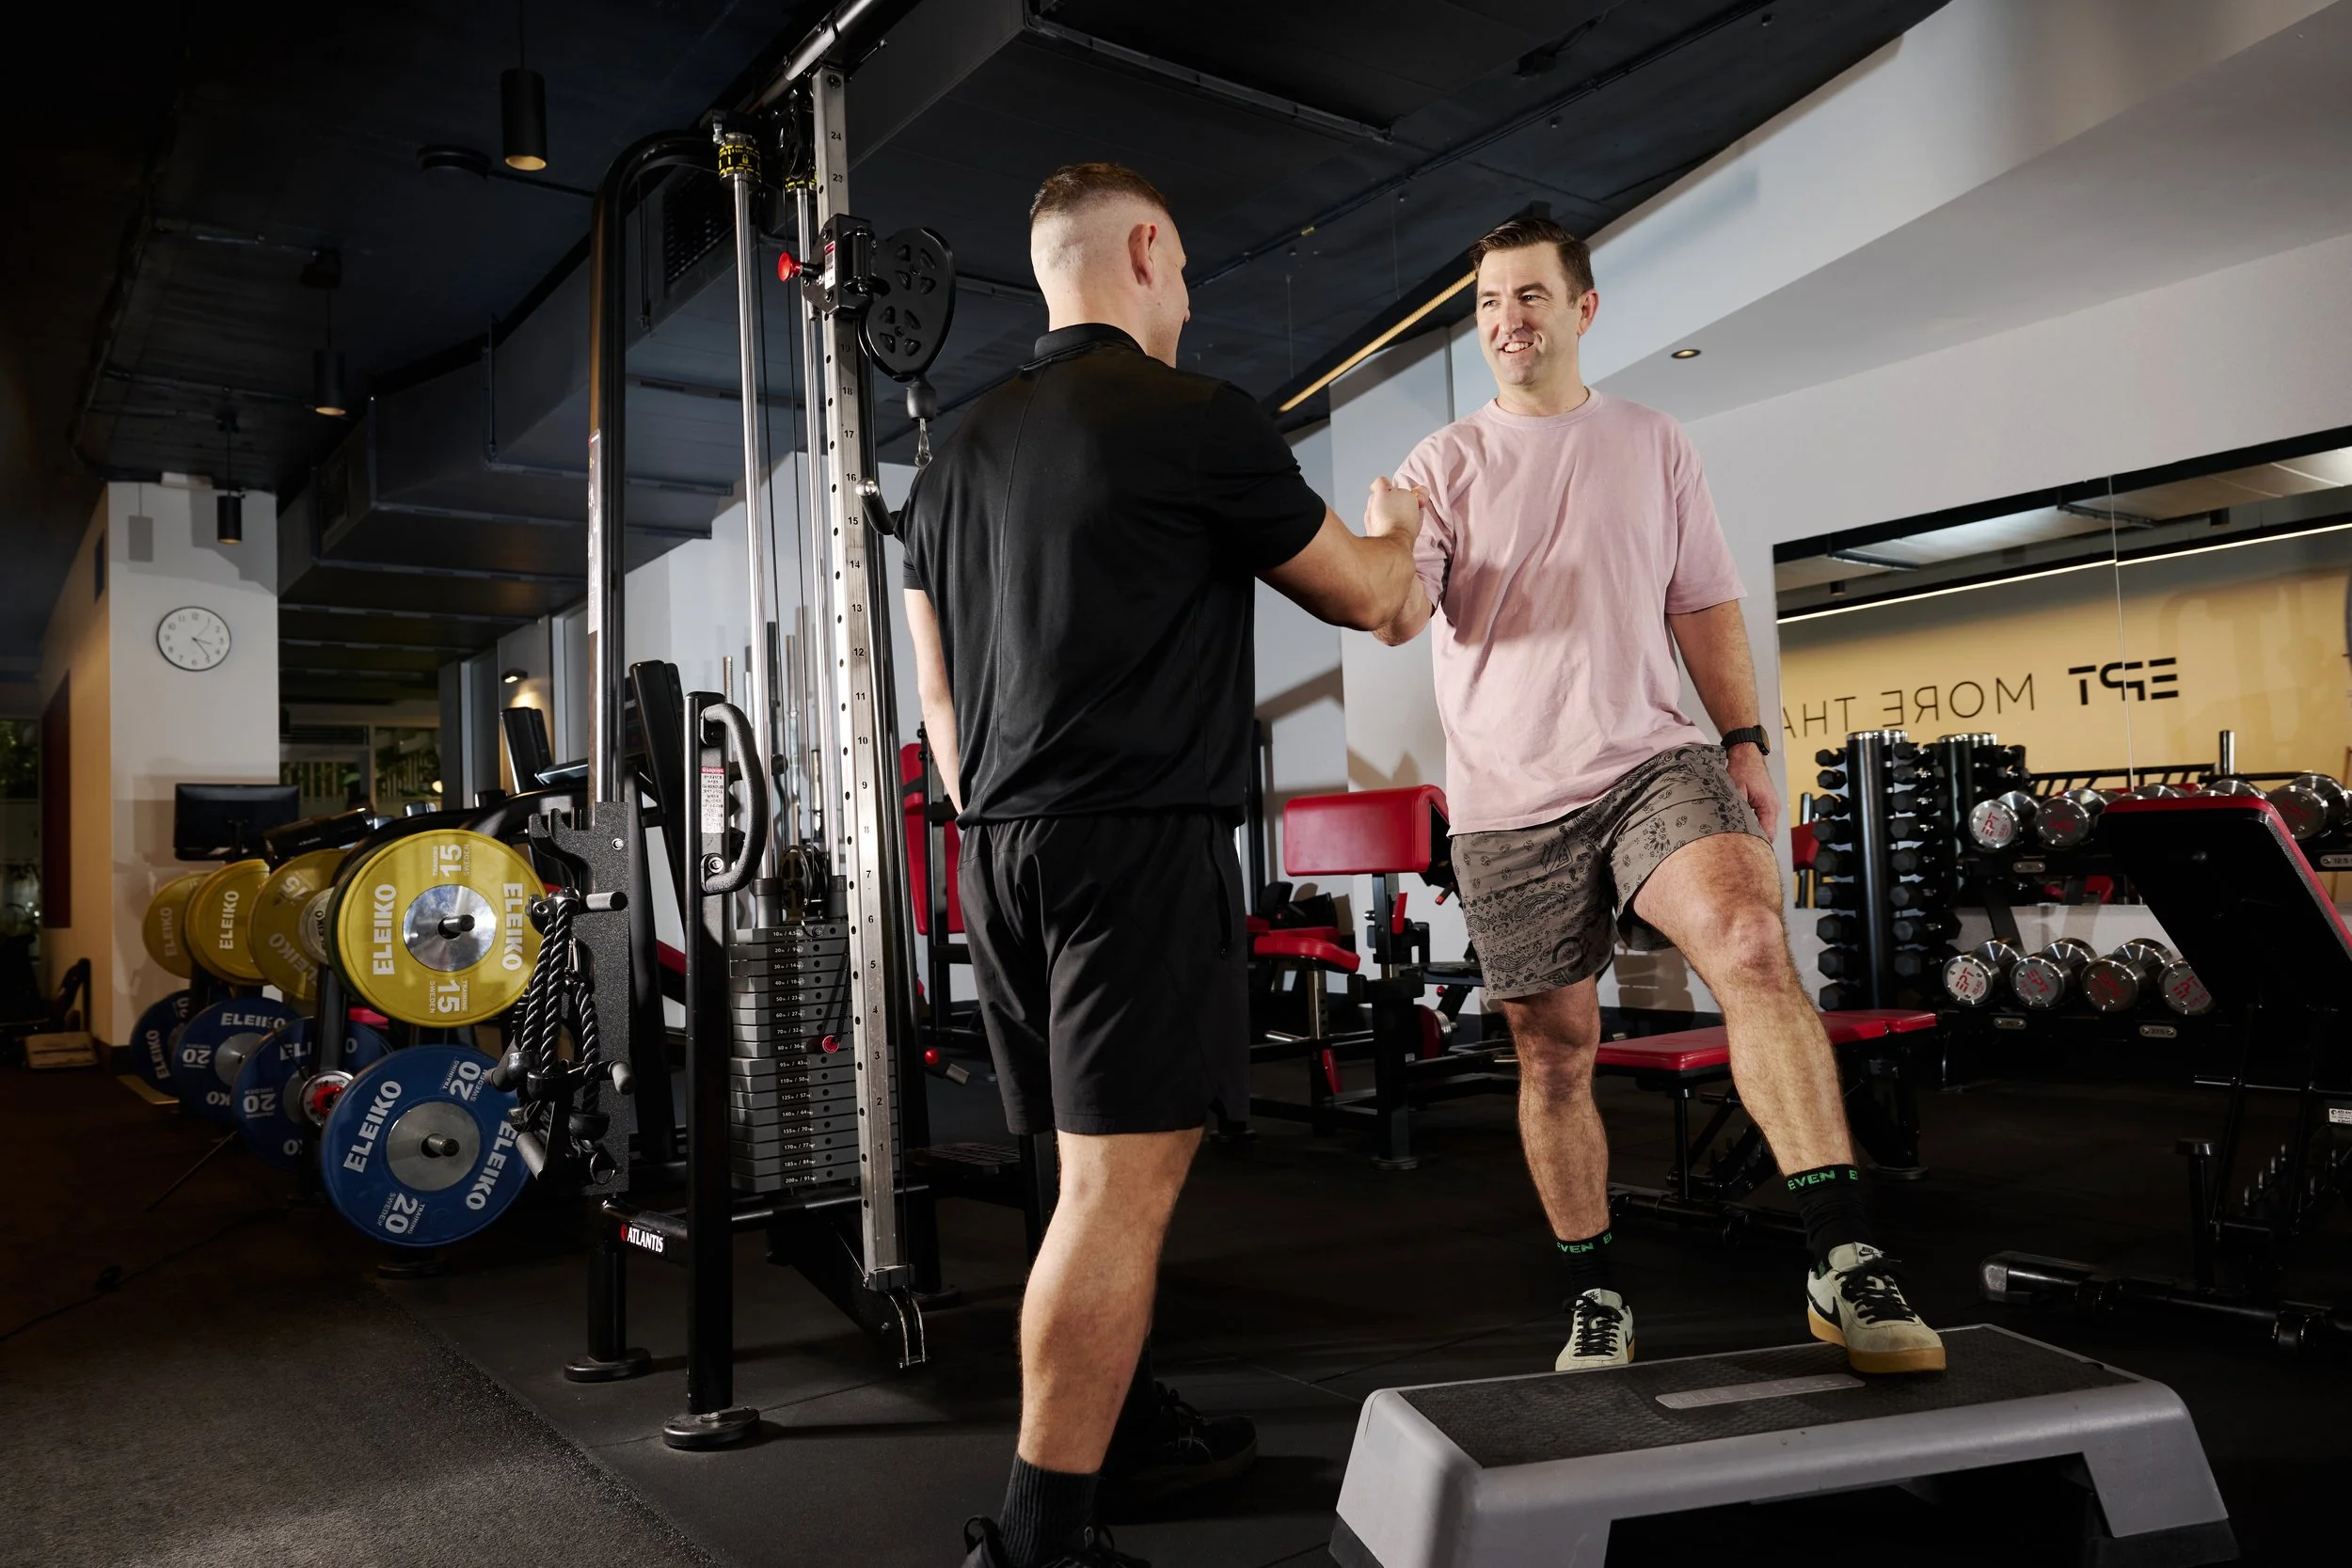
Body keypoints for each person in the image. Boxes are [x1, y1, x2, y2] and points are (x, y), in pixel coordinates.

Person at [901, 163, 1429, 1568]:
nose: (1187, 297)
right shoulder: (1198, 419)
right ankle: (1039, 1544)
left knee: (1077, 1174)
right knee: (1110, 1196)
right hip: (1130, 848)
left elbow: (937, 698)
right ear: (1144, 249)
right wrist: (1405, 526)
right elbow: (1371, 595)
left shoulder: (946, 462)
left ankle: (1121, 1424)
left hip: (996, 851)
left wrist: (1002, 811)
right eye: (1184, 268)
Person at [1381, 215, 1946, 1378]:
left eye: (1529, 296)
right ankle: (1595, 1292)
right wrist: (1371, 544)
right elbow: (1395, 607)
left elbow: (1701, 600)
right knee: (1554, 1052)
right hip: (1505, 799)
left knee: (1749, 939)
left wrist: (1742, 738)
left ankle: (1843, 1259)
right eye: (1487, 302)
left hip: (1651, 757)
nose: (1506, 320)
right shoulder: (1442, 464)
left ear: (1582, 309)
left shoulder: (1651, 439)